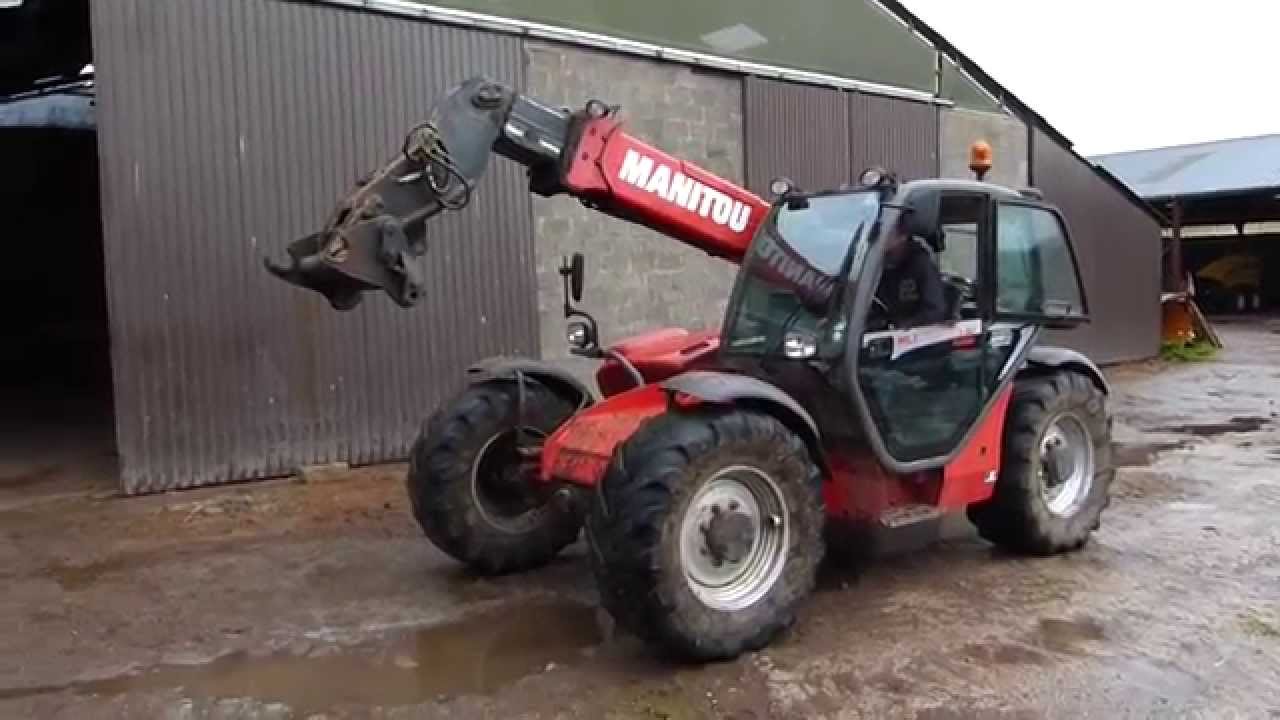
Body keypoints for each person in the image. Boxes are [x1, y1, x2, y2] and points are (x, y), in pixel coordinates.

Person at [874, 218, 947, 328]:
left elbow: (935, 311)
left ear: (902, 236)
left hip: (915, 335)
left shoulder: (921, 266)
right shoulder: (878, 266)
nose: (880, 238)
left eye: (886, 232)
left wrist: (905, 325)